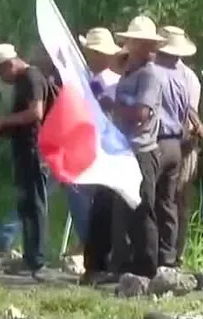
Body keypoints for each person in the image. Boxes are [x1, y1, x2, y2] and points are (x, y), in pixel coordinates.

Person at [0, 43, 53, 279]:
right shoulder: (24, 81)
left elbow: (35, 113)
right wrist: (0, 129)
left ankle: (37, 260)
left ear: (9, 64)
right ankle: (29, 257)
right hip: (25, 148)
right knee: (26, 205)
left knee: (35, 204)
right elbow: (23, 121)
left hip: (35, 149)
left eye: (0, 73)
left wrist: (3, 122)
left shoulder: (31, 77)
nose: (2, 79)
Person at [111, 15, 167, 278]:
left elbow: (142, 113)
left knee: (143, 209)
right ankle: (127, 264)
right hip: (126, 148)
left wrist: (112, 107)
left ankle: (146, 267)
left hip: (142, 149)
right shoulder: (130, 72)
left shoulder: (149, 76)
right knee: (125, 209)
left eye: (148, 43)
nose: (148, 48)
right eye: (141, 42)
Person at [80, 28, 125, 283]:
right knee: (100, 207)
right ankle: (97, 261)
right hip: (101, 147)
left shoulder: (105, 80)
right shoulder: (99, 78)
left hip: (111, 148)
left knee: (103, 208)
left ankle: (98, 263)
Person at [160, 26, 203, 268]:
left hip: (181, 140)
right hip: (184, 141)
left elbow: (190, 111)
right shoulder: (187, 75)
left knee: (173, 200)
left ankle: (172, 252)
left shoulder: (184, 76)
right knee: (174, 200)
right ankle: (172, 252)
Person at [154, 26, 193, 268]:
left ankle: (144, 255)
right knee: (168, 202)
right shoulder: (181, 78)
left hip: (156, 141)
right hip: (175, 143)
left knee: (144, 198)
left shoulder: (151, 73)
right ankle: (168, 254)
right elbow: (187, 111)